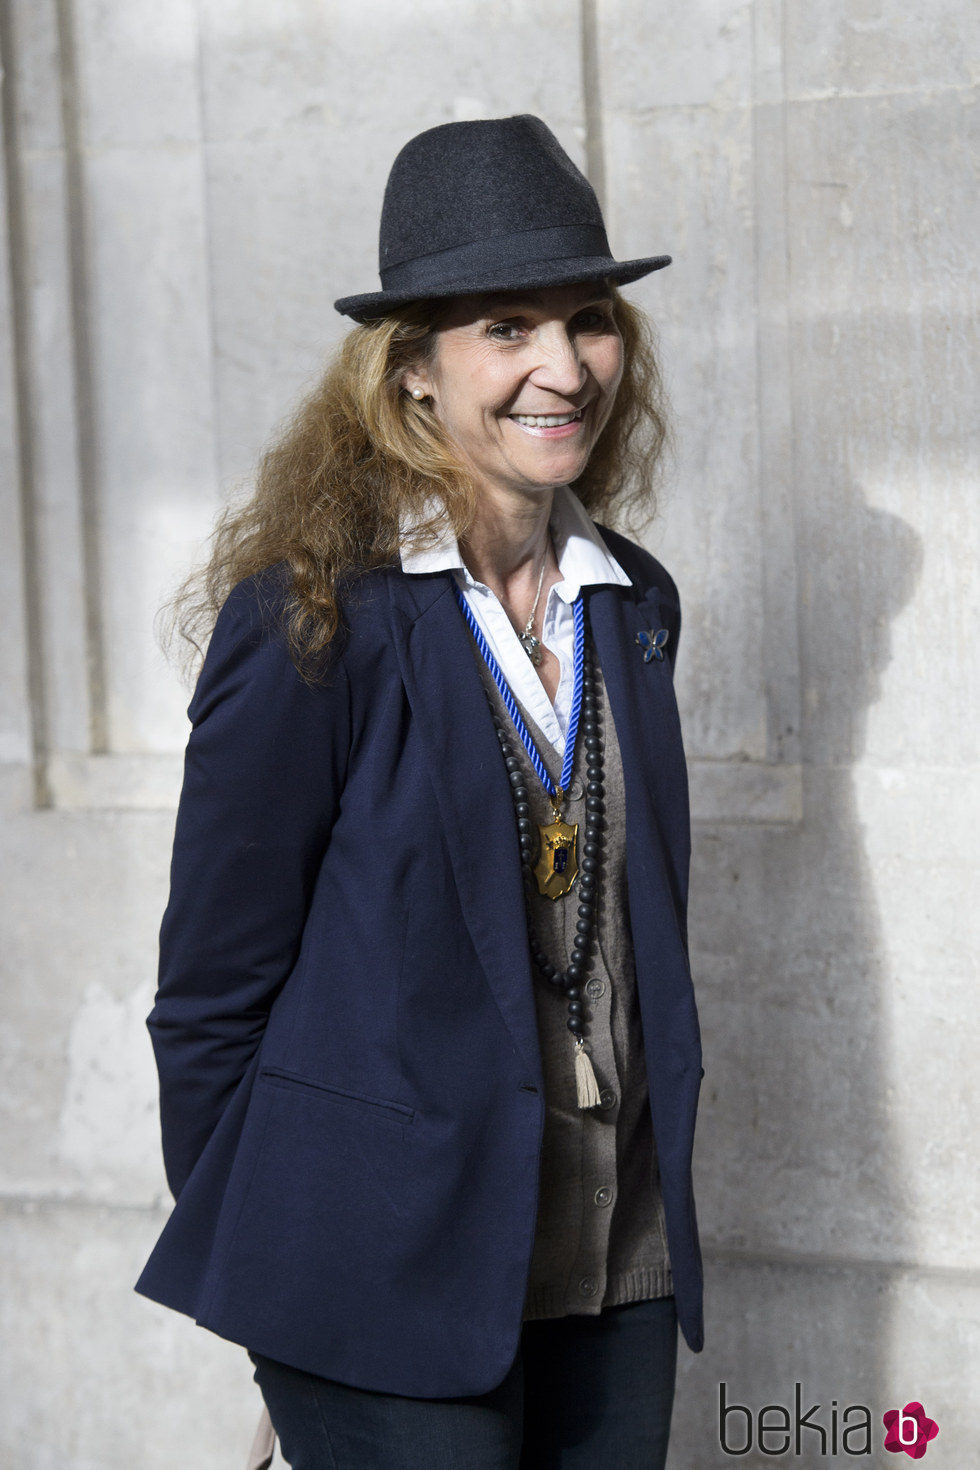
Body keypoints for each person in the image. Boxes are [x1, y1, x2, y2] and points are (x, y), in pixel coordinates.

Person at [135, 114, 705, 1470]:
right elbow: (211, 994)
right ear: (414, 380)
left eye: (588, 319)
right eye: (508, 327)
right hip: (372, 1272)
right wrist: (285, 1283)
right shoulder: (314, 619)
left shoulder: (639, 608)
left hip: (613, 1259)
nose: (565, 367)